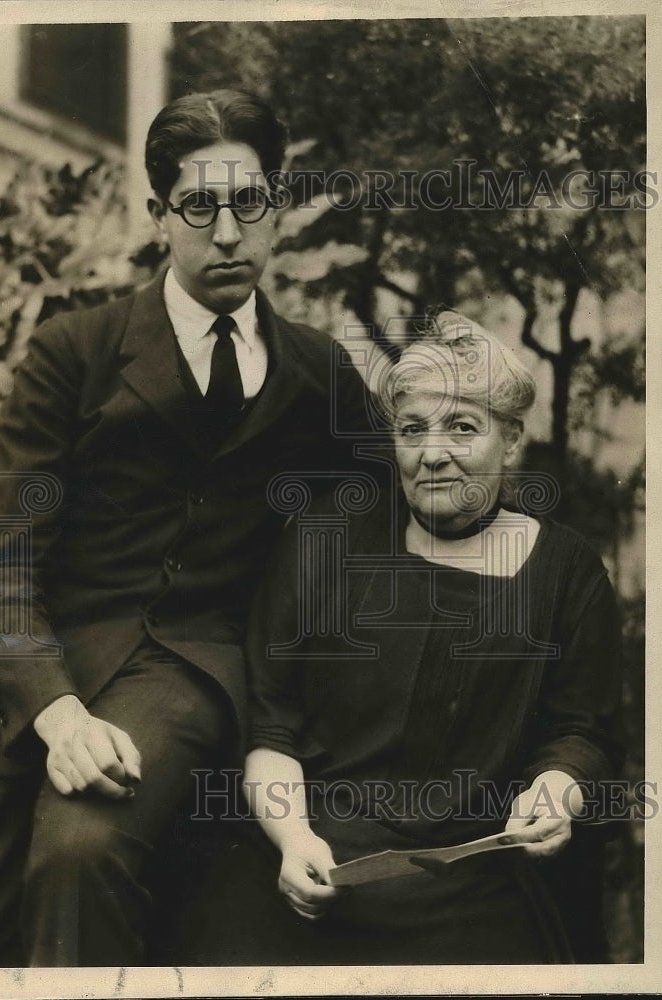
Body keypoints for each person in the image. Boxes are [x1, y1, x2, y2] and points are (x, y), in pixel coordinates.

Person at [0, 89, 374, 967]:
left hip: (184, 665)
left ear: (275, 209)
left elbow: (393, 508)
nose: (226, 233)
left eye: (248, 203)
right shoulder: (76, 351)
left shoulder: (315, 374)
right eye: (199, 206)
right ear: (159, 217)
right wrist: (57, 715)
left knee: (80, 851)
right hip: (30, 666)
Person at [227, 311, 625, 965]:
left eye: (461, 427)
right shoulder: (325, 540)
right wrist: (293, 841)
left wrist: (554, 789)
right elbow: (270, 726)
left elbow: (581, 730)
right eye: (411, 429)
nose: (431, 452)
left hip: (472, 883)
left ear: (511, 439)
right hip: (305, 863)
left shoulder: (566, 571)